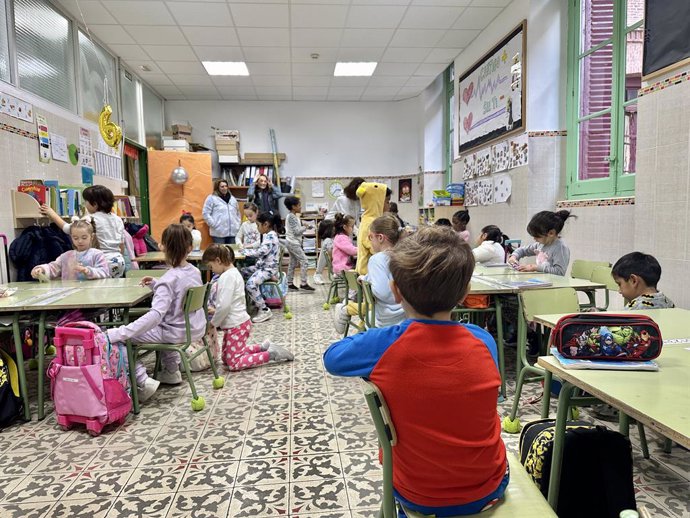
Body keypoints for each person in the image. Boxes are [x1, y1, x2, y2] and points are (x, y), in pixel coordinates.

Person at [324, 226, 508, 516]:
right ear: (465, 293)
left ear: (396, 291)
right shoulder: (483, 340)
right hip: (489, 487)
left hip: (417, 494)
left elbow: (332, 358)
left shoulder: (385, 344)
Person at [107, 224, 205, 402]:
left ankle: (143, 381)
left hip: (174, 332)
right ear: (190, 247)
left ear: (163, 247)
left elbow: (155, 316)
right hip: (194, 328)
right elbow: (180, 289)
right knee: (166, 322)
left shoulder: (168, 280)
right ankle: (171, 371)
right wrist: (156, 283)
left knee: (123, 340)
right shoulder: (195, 271)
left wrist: (121, 331)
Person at [202, 245, 294, 370]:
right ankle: (263, 347)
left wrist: (213, 323)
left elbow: (224, 306)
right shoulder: (234, 273)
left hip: (236, 325)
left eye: (211, 267)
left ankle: (271, 354)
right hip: (238, 323)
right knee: (225, 359)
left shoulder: (226, 277)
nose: (212, 270)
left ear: (218, 261)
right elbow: (232, 301)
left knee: (233, 363)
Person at [335, 214, 405, 333]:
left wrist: (367, 284)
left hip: (386, 320)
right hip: (407, 318)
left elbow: (382, 293)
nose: (369, 241)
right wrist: (367, 277)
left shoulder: (377, 259)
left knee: (367, 317)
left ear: (380, 238)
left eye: (370, 237)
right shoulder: (406, 255)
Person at [41, 184, 126, 278]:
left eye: (86, 201)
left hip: (102, 262)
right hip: (119, 261)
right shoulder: (117, 219)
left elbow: (68, 228)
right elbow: (121, 245)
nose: (84, 204)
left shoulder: (91, 219)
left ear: (95, 204)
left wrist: (51, 213)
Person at [31, 219, 109, 281]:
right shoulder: (66, 256)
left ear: (91, 237)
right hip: (70, 293)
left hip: (92, 293)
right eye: (75, 238)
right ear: (71, 237)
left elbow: (104, 272)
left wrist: (87, 271)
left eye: (84, 237)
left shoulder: (97, 254)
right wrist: (41, 269)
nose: (80, 241)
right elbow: (53, 267)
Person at [240, 212, 282, 323]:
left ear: (266, 224)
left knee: (250, 284)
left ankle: (264, 309)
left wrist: (245, 251)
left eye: (258, 225)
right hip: (263, 267)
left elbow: (260, 252)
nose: (257, 228)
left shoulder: (271, 236)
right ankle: (250, 301)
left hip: (268, 269)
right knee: (241, 272)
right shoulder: (269, 235)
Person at [508, 210, 575, 276]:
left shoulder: (561, 248)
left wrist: (534, 267)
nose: (534, 239)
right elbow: (522, 250)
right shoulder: (541, 244)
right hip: (542, 282)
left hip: (554, 284)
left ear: (551, 233)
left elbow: (559, 272)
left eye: (537, 236)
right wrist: (514, 256)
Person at [355, 182, 390, 276]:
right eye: (387, 201)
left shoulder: (366, 219)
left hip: (366, 272)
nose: (389, 205)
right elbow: (376, 250)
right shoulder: (372, 222)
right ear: (378, 201)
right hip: (369, 273)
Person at [284, 196, 315, 291]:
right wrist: (306, 227)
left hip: (291, 242)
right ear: (293, 206)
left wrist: (306, 226)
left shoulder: (293, 216)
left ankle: (289, 283)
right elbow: (297, 232)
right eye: (299, 205)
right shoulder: (292, 217)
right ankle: (303, 283)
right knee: (305, 261)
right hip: (293, 242)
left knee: (293, 263)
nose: (300, 207)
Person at [202, 179, 241, 244]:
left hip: (233, 232)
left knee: (232, 252)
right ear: (217, 188)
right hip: (218, 233)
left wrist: (238, 224)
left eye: (226, 186)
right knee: (220, 253)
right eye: (222, 186)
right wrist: (213, 224)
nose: (225, 188)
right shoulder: (211, 198)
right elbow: (205, 213)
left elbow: (238, 213)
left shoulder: (232, 199)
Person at [312, 219, 336, 285]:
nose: (334, 229)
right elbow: (331, 255)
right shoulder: (328, 240)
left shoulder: (327, 240)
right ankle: (317, 274)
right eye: (333, 227)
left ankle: (318, 273)